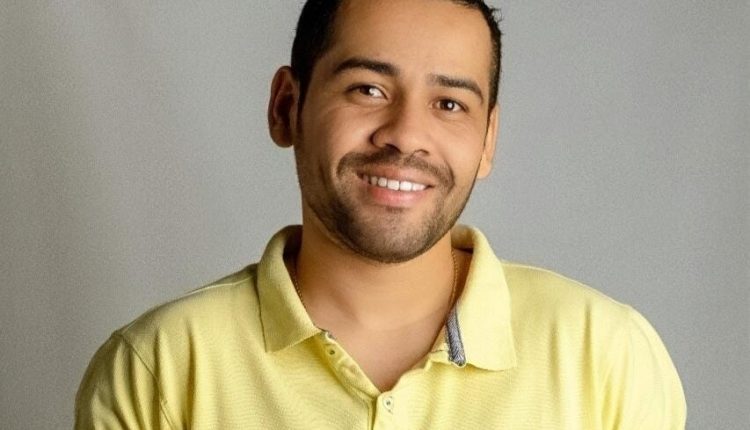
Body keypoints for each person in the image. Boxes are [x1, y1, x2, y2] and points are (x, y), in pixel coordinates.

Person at [75, 0, 686, 428]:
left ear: (488, 141)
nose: (406, 134)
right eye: (367, 89)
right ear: (287, 107)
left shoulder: (606, 358)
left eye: (450, 103)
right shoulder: (157, 370)